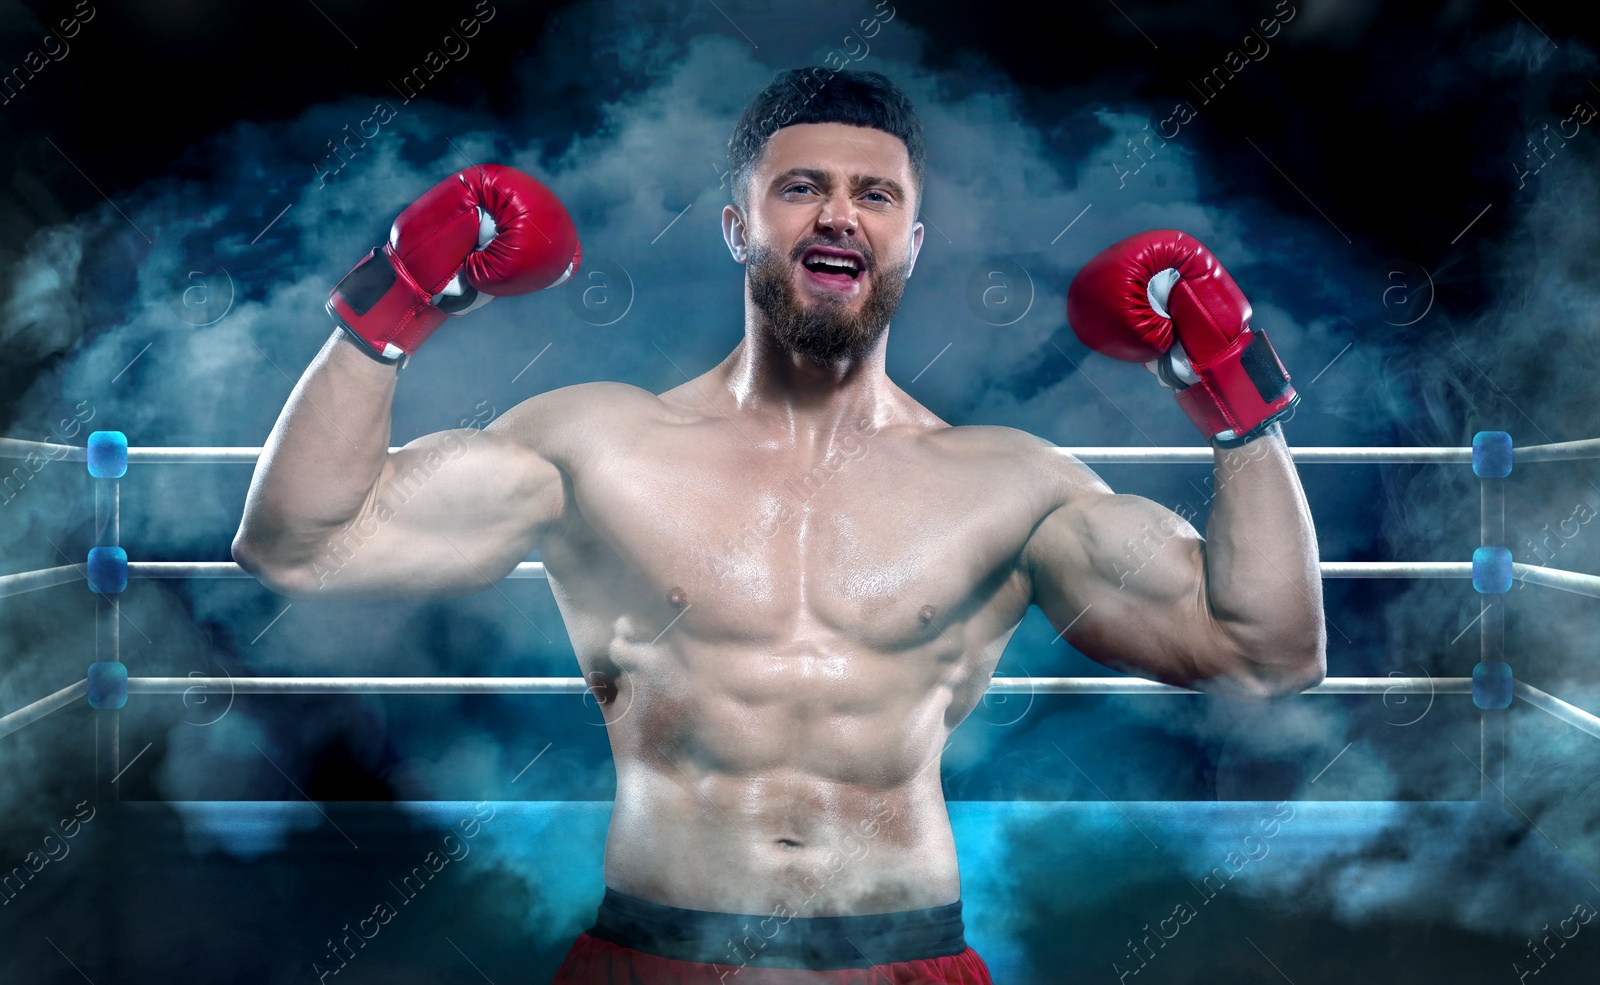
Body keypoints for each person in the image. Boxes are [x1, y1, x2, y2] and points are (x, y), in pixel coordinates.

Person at [232, 67, 1326, 984]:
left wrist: (1232, 393)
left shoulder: (1010, 483)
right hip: (652, 956)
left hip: (904, 959)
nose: (839, 214)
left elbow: (1263, 650)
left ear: (911, 239)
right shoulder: (596, 446)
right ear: (738, 226)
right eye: (800, 187)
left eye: (874, 195)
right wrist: (396, 298)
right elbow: (302, 541)